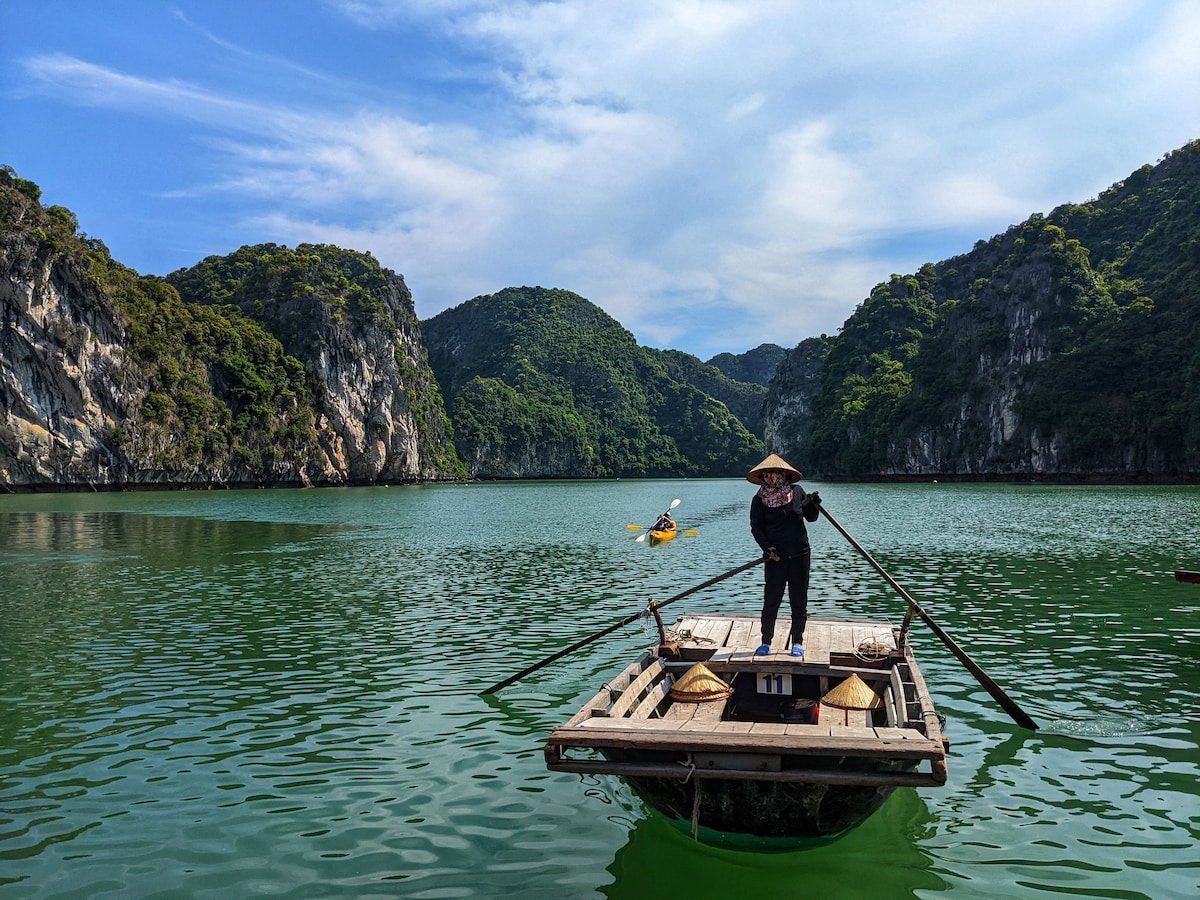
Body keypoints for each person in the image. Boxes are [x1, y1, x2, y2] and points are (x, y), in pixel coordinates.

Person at [747, 453, 821, 657]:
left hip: (800, 555)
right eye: (768, 474)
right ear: (763, 477)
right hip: (775, 558)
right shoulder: (759, 500)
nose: (772, 478)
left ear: (784, 475)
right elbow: (756, 528)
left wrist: (814, 504)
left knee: (799, 601)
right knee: (771, 600)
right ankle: (765, 642)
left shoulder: (797, 493)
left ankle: (797, 641)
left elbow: (811, 518)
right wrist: (767, 547)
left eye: (776, 474)